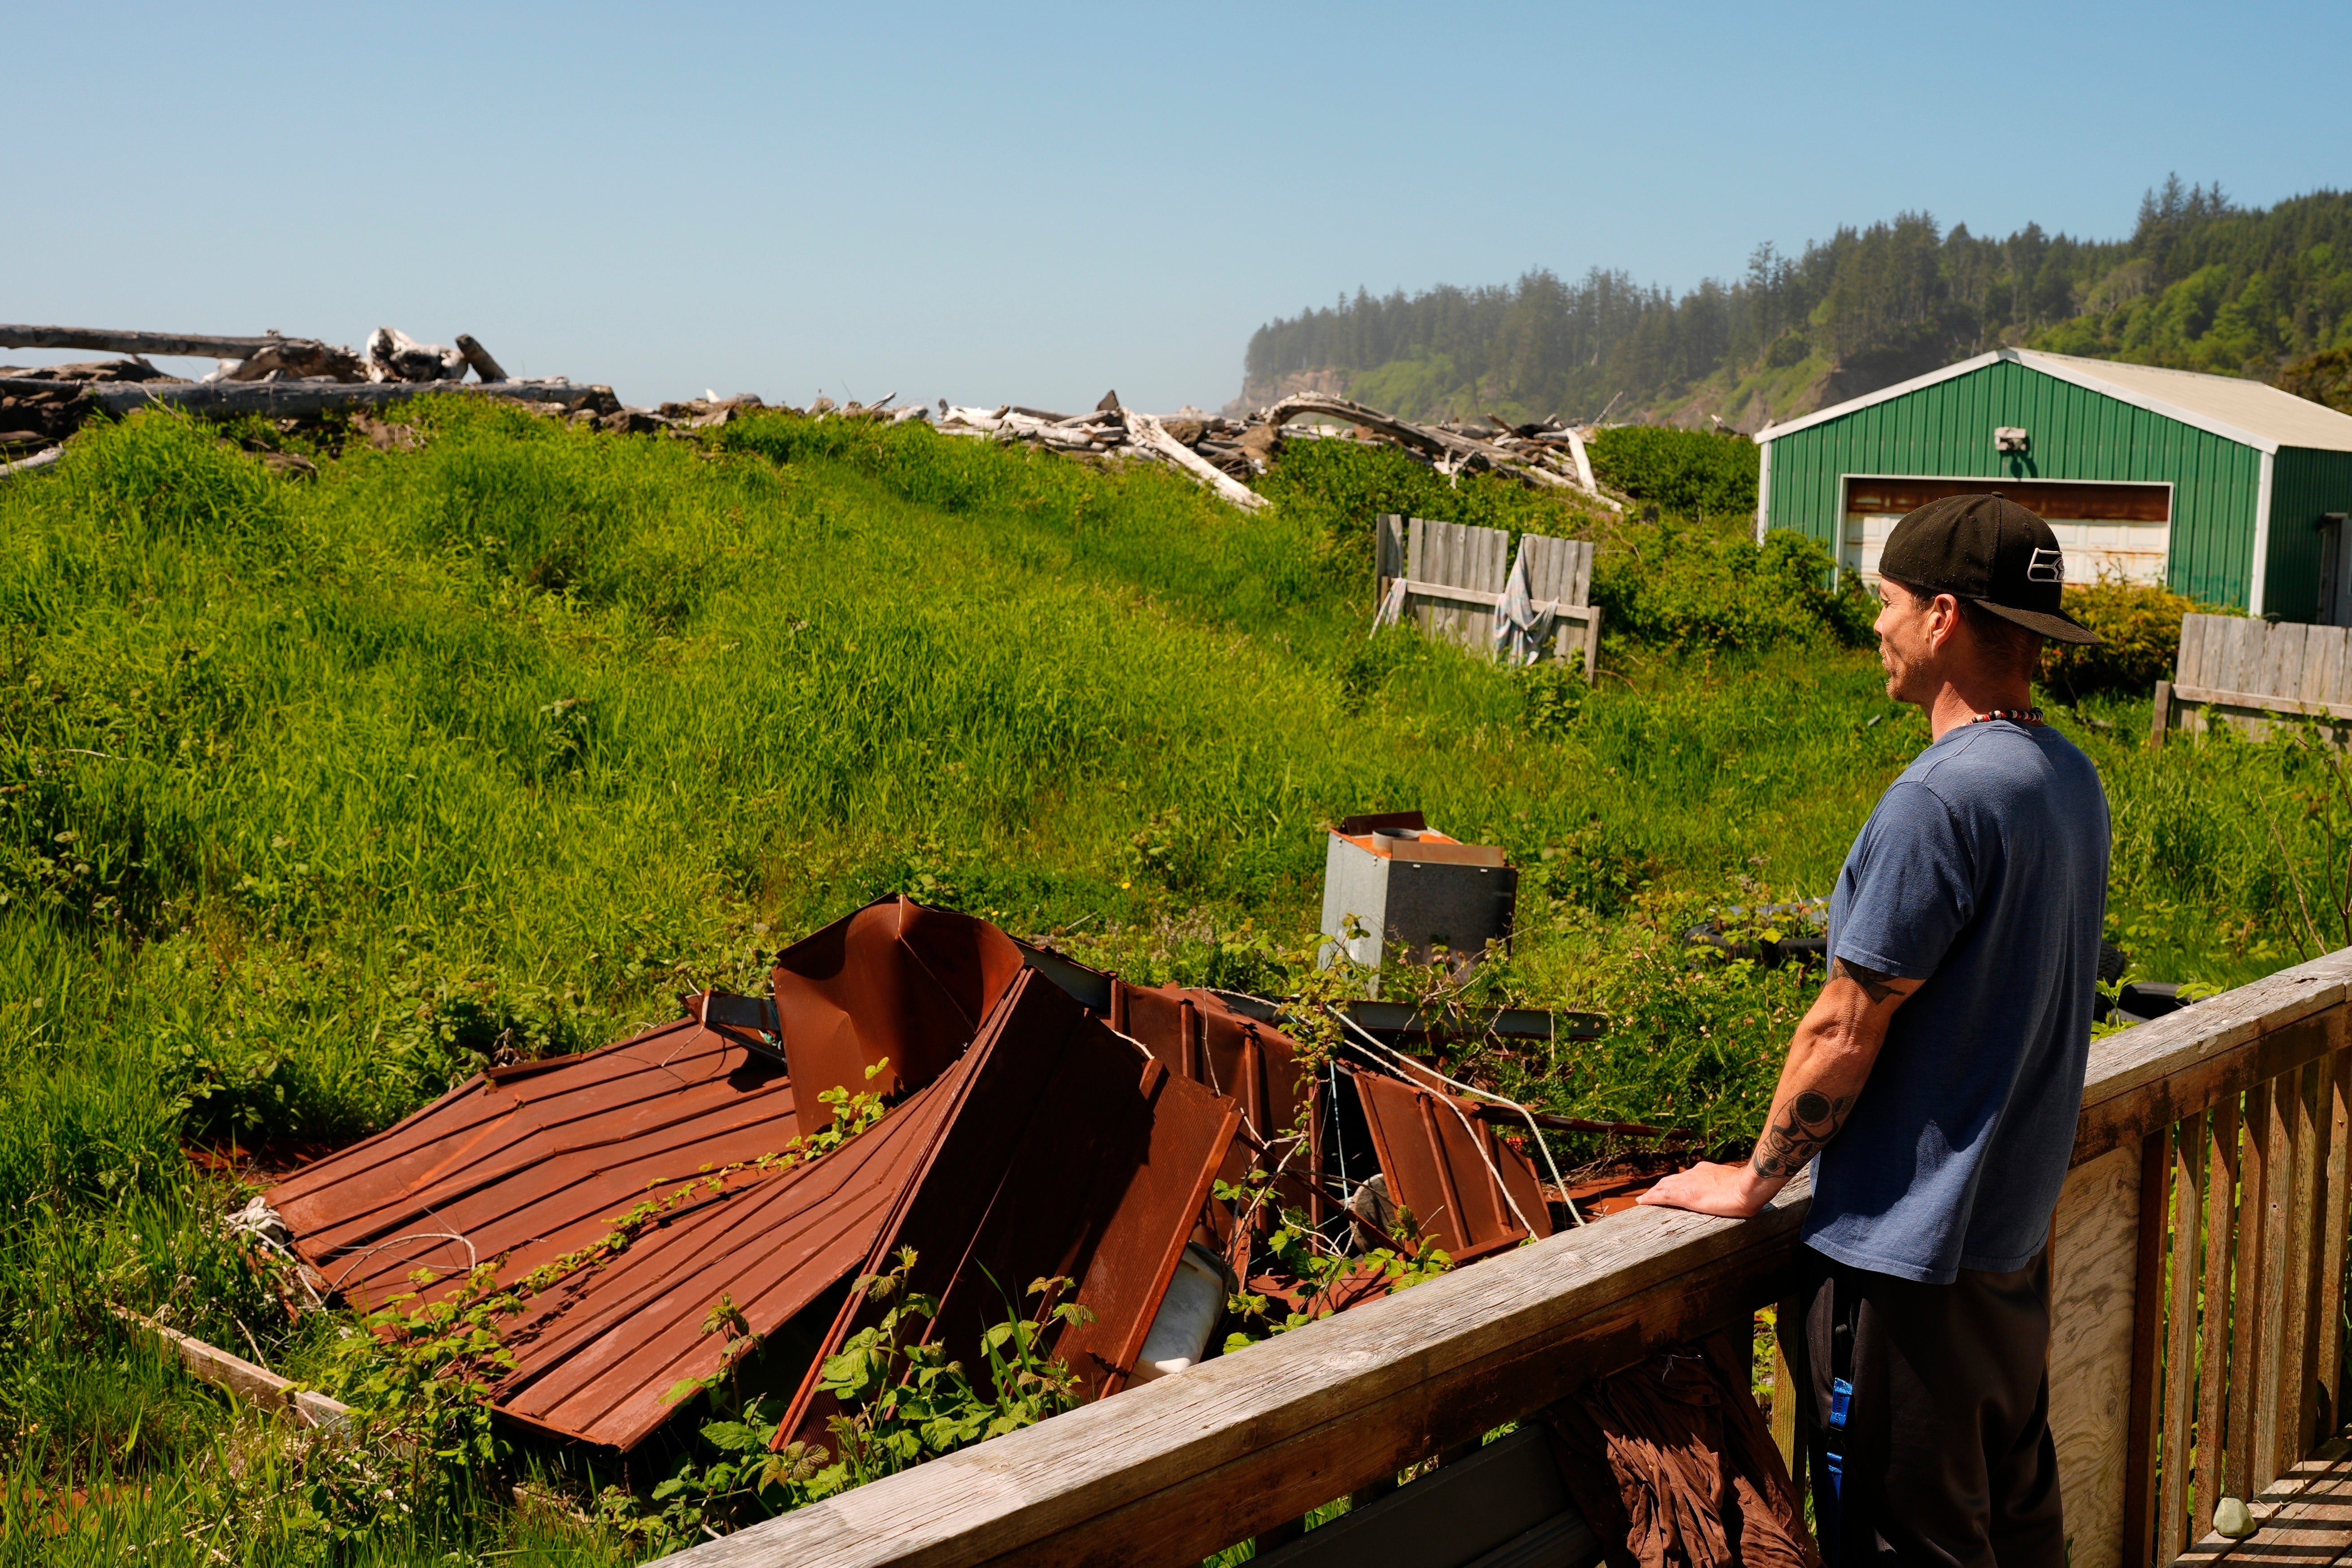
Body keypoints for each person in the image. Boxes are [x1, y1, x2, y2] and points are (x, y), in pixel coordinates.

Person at [1637, 493, 2110, 1568]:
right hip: (2005, 1251)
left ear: (1941, 615)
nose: (1877, 626)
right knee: (2014, 1527)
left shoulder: (1938, 802)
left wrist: (1751, 1182)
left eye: (1885, 602)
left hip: (1906, 1270)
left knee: (1901, 1547)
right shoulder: (2066, 780)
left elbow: (1842, 1030)